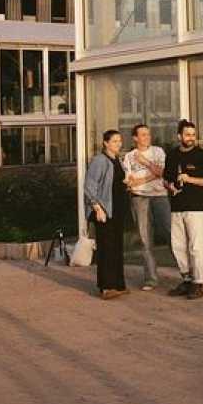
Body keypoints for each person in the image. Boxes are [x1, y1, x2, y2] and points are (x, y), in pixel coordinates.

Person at [164, 119, 203, 300]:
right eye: (187, 135)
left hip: (195, 208)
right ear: (179, 136)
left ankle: (198, 282)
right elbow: (166, 178)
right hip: (176, 207)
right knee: (178, 246)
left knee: (195, 247)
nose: (191, 138)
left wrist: (189, 178)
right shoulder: (172, 155)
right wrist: (171, 186)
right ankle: (186, 279)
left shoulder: (202, 155)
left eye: (193, 134)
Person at [123, 123, 169, 291]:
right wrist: (146, 177)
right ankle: (151, 279)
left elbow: (163, 172)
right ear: (135, 138)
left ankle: (187, 273)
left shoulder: (158, 152)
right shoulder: (129, 157)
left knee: (171, 233)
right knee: (144, 238)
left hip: (159, 196)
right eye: (143, 135)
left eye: (148, 134)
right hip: (139, 198)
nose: (147, 137)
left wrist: (145, 165)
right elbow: (130, 182)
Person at [82, 128, 128, 298]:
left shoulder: (117, 160)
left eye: (120, 141)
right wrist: (96, 207)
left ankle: (118, 284)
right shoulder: (99, 161)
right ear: (106, 143)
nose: (119, 144)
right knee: (106, 248)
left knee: (116, 247)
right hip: (104, 211)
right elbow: (89, 186)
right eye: (115, 141)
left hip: (117, 210)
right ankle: (106, 287)